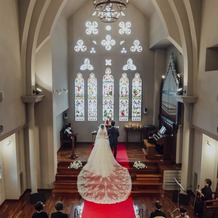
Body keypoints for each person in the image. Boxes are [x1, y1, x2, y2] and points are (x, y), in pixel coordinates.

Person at [77, 124, 132, 204]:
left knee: (98, 154)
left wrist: (100, 139)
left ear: (100, 128)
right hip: (105, 143)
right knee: (106, 154)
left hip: (99, 143)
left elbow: (98, 137)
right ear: (104, 128)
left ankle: (98, 165)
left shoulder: (100, 132)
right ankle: (107, 165)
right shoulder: (106, 131)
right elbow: (106, 137)